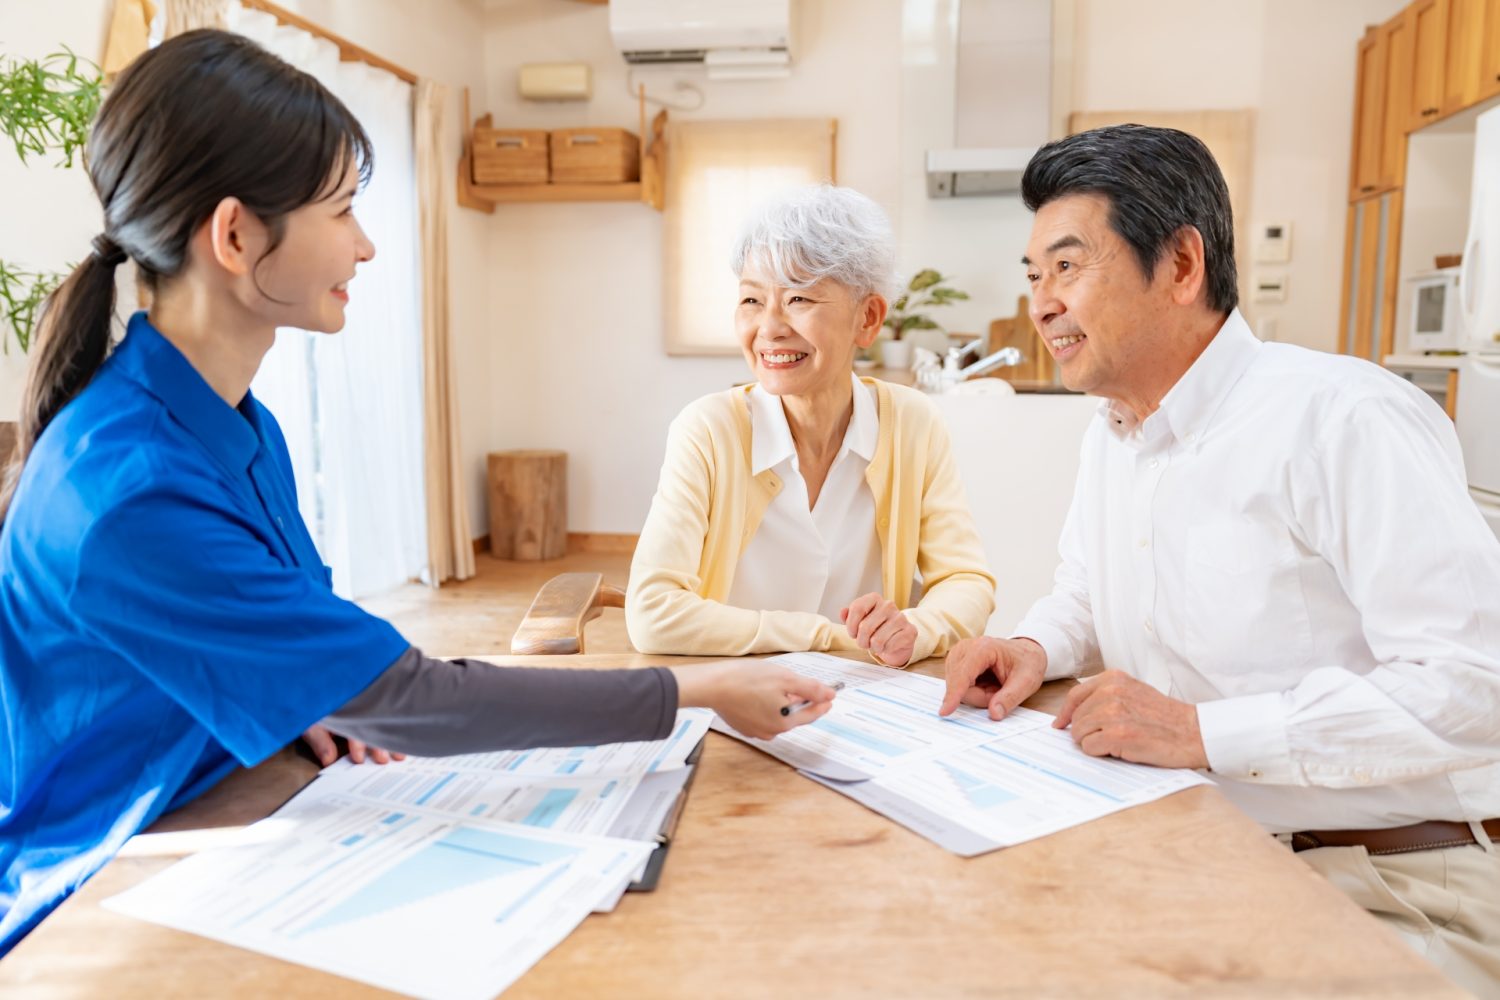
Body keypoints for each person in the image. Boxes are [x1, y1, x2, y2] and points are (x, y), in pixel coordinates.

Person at [0, 30, 837, 957]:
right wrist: (696, 689)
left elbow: (294, 639)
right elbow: (406, 699)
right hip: (97, 878)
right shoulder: (128, 487)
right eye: (343, 210)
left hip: (230, 796)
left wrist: (309, 695)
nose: (364, 245)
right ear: (236, 235)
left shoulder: (235, 421)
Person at [939, 123, 1500, 992]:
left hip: (1385, 882)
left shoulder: (1342, 418)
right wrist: (1032, 649)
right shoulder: (1115, 435)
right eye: (1035, 276)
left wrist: (1202, 733)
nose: (1043, 302)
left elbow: (1476, 682)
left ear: (1181, 265)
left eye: (1068, 266)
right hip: (1194, 851)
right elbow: (1087, 592)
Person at [626, 185, 996, 668]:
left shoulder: (911, 423)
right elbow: (652, 612)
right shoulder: (708, 430)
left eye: (798, 298)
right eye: (752, 300)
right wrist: (827, 637)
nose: (770, 327)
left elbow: (966, 581)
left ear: (867, 318)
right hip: (741, 697)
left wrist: (916, 630)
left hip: (868, 700)